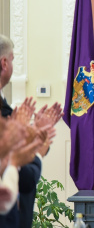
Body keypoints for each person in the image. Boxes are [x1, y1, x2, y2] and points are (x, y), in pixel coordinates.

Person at [0, 34, 63, 227]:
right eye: (12, 59)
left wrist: (34, 133)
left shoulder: (6, 109)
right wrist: (38, 151)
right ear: (4, 64)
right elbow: (24, 176)